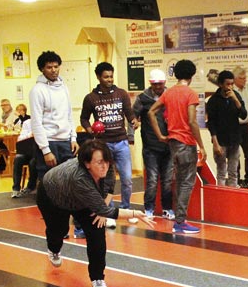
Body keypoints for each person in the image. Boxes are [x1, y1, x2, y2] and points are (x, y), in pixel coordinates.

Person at [37, 139, 153, 287]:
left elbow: (109, 188)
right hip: (53, 196)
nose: (104, 166)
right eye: (99, 162)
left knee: (97, 233)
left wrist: (102, 210)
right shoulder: (80, 178)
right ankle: (53, 249)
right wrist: (134, 213)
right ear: (87, 164)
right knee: (59, 230)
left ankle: (97, 277)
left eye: (106, 161)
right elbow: (107, 211)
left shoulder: (107, 167)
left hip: (84, 200)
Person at [148, 59, 207, 234]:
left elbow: (151, 112)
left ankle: (179, 220)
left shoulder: (169, 93)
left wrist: (160, 135)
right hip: (186, 143)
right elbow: (192, 121)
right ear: (191, 76)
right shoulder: (190, 94)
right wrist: (202, 145)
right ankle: (180, 221)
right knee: (187, 183)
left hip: (173, 143)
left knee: (180, 181)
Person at [80, 61, 137, 227]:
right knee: (106, 180)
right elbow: (84, 118)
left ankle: (126, 209)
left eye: (111, 76)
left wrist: (134, 121)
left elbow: (129, 114)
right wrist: (90, 130)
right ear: (98, 77)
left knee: (127, 179)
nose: (110, 79)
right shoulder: (91, 98)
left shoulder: (121, 94)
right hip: (102, 145)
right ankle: (109, 212)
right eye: (106, 77)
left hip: (121, 142)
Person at [30, 50, 79, 234]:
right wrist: (45, 150)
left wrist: (73, 138)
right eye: (49, 67)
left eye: (56, 66)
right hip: (48, 142)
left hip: (65, 142)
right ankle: (55, 227)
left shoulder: (64, 87)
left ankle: (71, 224)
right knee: (50, 186)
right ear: (42, 69)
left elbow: (68, 115)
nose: (53, 70)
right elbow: (36, 122)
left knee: (70, 183)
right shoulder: (37, 90)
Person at [133, 69, 174, 219]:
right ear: (151, 83)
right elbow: (133, 116)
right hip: (150, 146)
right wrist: (133, 126)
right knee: (152, 180)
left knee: (167, 180)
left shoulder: (170, 96)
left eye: (160, 84)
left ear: (164, 83)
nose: (158, 86)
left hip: (169, 146)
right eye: (155, 84)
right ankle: (149, 208)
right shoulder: (142, 98)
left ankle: (167, 208)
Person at [206, 70, 246, 187]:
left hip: (234, 139)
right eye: (227, 84)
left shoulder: (236, 95)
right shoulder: (214, 100)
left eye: (232, 84)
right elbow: (211, 123)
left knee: (233, 172)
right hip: (220, 140)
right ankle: (221, 194)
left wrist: (236, 100)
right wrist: (215, 143)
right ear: (220, 84)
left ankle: (233, 194)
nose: (230, 87)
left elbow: (243, 115)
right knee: (221, 172)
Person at [232, 66, 248, 188]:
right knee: (235, 155)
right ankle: (236, 179)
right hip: (235, 126)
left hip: (245, 126)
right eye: (242, 78)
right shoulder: (231, 91)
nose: (244, 80)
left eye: (245, 78)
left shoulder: (247, 88)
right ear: (235, 79)